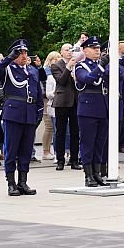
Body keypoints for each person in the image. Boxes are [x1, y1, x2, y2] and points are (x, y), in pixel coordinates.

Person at [0, 40, 42, 196]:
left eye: (25, 52)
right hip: (13, 114)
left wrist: (39, 112)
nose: (24, 55)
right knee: (12, 150)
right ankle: (11, 183)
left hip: (30, 114)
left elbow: (38, 93)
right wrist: (8, 58)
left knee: (26, 150)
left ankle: (22, 182)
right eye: (20, 53)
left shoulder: (32, 71)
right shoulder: (7, 70)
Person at [74, 36, 110, 186]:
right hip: (88, 109)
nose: (97, 51)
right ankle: (88, 175)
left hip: (102, 107)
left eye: (98, 49)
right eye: (94, 48)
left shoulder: (103, 66)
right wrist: (101, 65)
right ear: (85, 50)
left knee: (100, 143)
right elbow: (88, 79)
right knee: (88, 142)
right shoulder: (80, 66)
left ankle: (97, 173)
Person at [51, 43, 81, 171]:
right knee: (61, 132)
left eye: (71, 49)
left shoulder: (79, 65)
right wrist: (69, 67)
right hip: (62, 102)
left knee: (75, 132)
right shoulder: (56, 65)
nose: (69, 52)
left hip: (75, 101)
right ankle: (60, 159)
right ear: (61, 52)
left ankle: (74, 159)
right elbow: (61, 81)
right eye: (66, 50)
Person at [42, 51, 62, 160]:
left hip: (56, 100)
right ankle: (46, 150)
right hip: (47, 101)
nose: (58, 60)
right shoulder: (46, 73)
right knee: (49, 126)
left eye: (59, 58)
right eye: (55, 59)